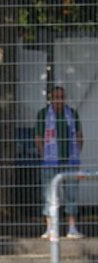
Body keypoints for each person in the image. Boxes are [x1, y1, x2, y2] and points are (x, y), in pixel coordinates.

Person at [35, 85, 85, 240]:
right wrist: (45, 155)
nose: (59, 101)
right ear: (50, 99)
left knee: (71, 194)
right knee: (50, 195)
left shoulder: (72, 114)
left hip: (69, 161)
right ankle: (50, 228)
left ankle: (71, 228)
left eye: (61, 97)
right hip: (50, 161)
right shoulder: (43, 114)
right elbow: (38, 137)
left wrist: (76, 154)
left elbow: (79, 136)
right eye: (56, 97)